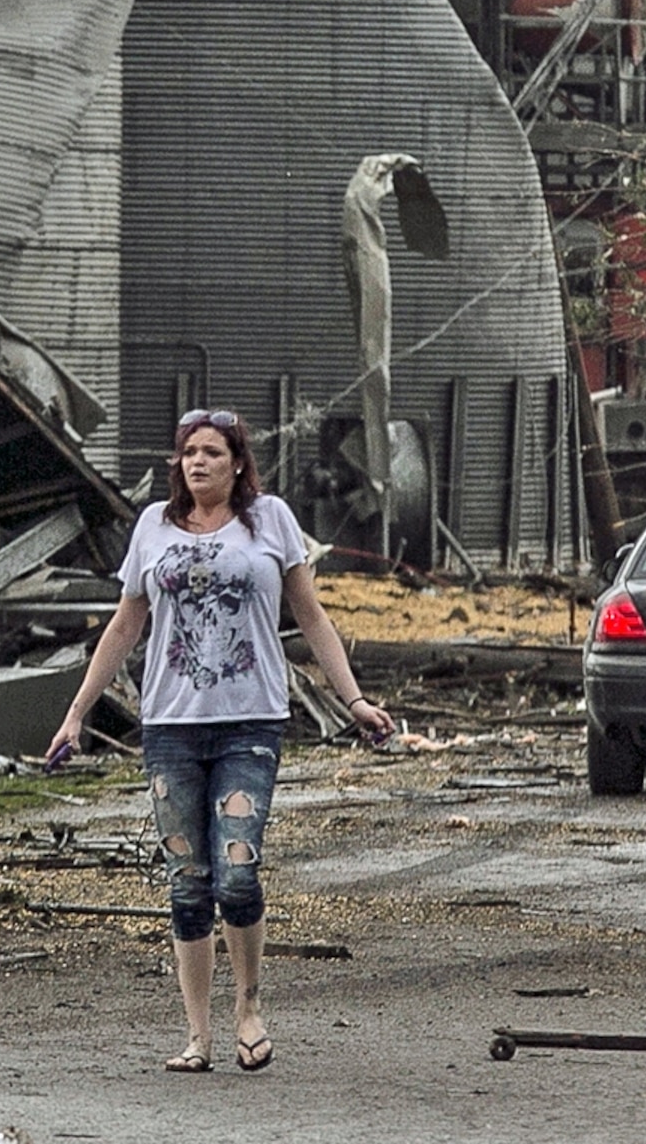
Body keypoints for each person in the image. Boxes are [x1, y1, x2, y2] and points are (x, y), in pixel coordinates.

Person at [45, 409, 395, 1074]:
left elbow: (309, 613)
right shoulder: (152, 525)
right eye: (187, 453)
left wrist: (353, 699)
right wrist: (75, 714)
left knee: (236, 871)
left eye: (211, 451)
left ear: (238, 461)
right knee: (187, 882)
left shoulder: (271, 521)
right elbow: (124, 626)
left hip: (250, 721)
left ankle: (249, 1007)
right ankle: (198, 1035)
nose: (196, 462)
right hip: (170, 726)